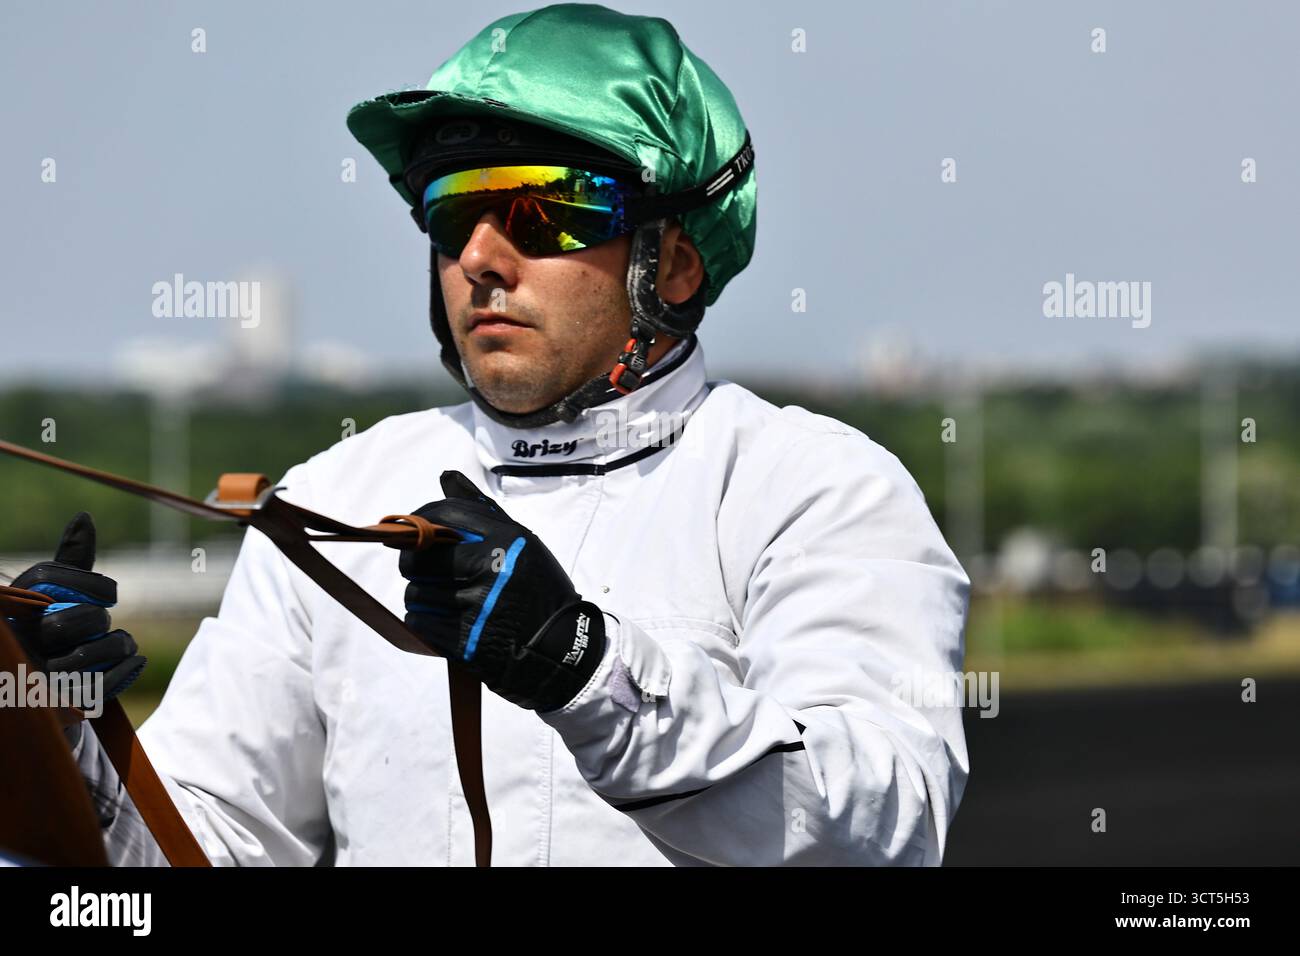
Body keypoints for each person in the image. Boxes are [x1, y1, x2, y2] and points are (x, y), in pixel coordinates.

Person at [22, 2, 971, 866]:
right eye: (452, 212)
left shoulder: (817, 488)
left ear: (674, 263)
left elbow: (881, 827)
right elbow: (204, 851)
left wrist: (583, 668)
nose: (479, 257)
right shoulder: (333, 498)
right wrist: (59, 748)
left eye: (538, 209)